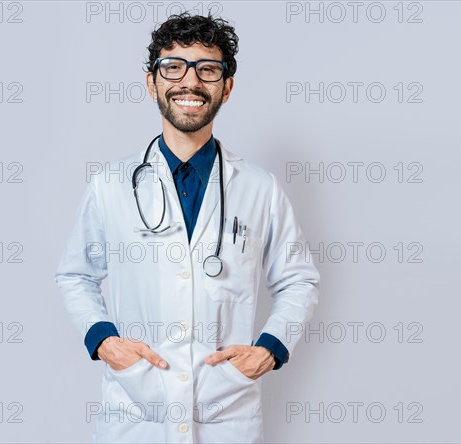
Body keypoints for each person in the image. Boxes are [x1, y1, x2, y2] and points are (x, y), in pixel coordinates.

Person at [55, 13, 320, 444]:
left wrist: (269, 350)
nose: (189, 82)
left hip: (225, 411)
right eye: (173, 66)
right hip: (136, 411)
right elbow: (75, 274)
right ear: (152, 82)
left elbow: (299, 279)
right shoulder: (111, 185)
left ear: (226, 88)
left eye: (207, 69)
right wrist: (104, 341)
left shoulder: (258, 188)